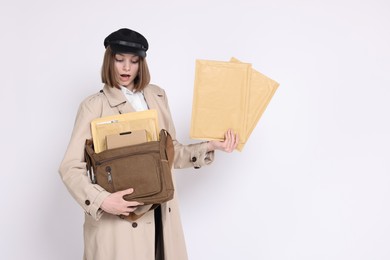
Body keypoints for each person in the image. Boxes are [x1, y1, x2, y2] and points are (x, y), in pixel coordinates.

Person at [59, 28, 239, 260]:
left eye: (134, 61)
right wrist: (102, 200)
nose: (126, 68)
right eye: (119, 59)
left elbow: (170, 152)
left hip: (161, 214)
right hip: (120, 221)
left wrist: (211, 146)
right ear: (109, 60)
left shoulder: (157, 96)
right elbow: (70, 166)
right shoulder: (94, 106)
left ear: (141, 63)